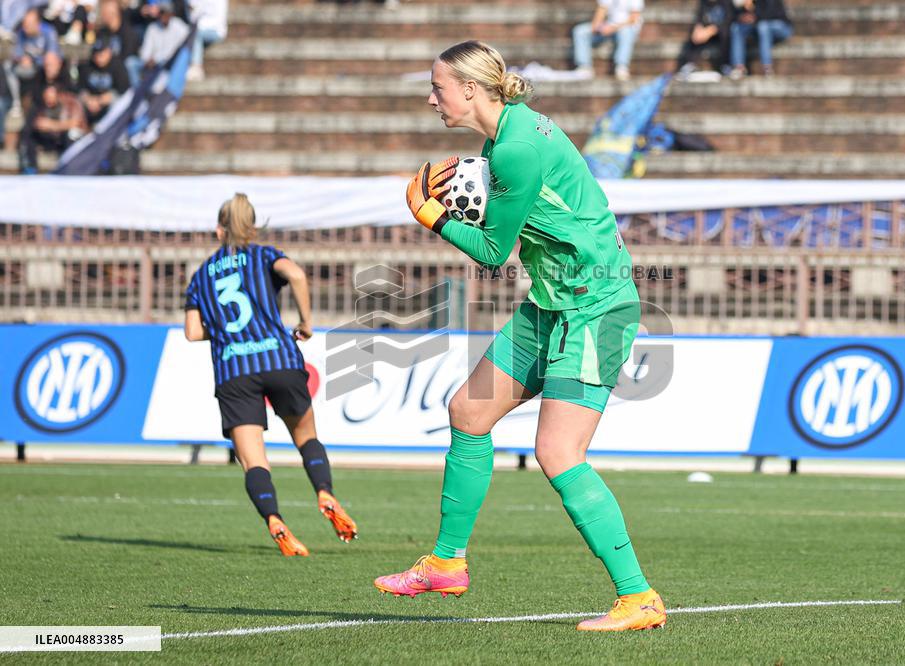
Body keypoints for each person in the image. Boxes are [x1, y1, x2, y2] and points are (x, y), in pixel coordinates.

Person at [374, 40, 666, 632]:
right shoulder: (500, 142)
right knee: (469, 412)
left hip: (596, 307)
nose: (432, 99)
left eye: (438, 88)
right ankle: (446, 562)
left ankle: (639, 598)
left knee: (558, 454)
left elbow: (492, 250)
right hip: (553, 302)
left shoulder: (514, 151)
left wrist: (431, 216)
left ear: (472, 91)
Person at [184, 193, 358, 556]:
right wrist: (307, 321)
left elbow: (192, 332)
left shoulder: (200, 276)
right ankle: (324, 492)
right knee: (306, 436)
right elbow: (295, 273)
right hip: (279, 358)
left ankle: (274, 520)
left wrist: (223, 329)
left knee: (253, 460)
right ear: (252, 226)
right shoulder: (264, 255)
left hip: (234, 370)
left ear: (219, 231)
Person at [17, 81, 85, 173]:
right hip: (44, 139)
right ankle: (30, 168)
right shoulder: (38, 107)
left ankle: (70, 166)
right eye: (47, 95)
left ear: (58, 95)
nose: (49, 98)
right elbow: (36, 124)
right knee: (28, 136)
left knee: (72, 134)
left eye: (51, 95)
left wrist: (52, 125)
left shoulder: (67, 105)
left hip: (61, 140)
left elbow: (76, 123)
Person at [572, 0, 643, 81]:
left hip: (626, 27)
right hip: (609, 27)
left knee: (626, 32)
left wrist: (613, 28)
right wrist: (596, 26)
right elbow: (602, 10)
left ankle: (621, 66)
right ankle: (584, 67)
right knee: (580, 31)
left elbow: (633, 19)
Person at [728, 0, 792, 78]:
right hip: (757, 25)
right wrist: (741, 17)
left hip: (781, 26)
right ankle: (738, 67)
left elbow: (770, 14)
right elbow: (732, 15)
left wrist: (753, 11)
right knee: (736, 28)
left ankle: (767, 68)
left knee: (763, 27)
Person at [77, 36, 129, 124]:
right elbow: (80, 88)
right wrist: (88, 100)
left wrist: (99, 101)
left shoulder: (118, 66)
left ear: (109, 52)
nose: (98, 57)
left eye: (102, 53)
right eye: (96, 53)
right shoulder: (87, 66)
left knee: (117, 103)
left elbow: (123, 90)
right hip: (90, 102)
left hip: (108, 102)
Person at [675, 0, 733, 77]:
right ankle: (689, 64)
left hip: (720, 31)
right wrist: (697, 29)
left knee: (726, 33)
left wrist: (712, 30)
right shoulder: (703, 2)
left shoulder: (726, 2)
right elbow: (699, 18)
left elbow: (728, 20)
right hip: (706, 31)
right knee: (694, 32)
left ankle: (726, 65)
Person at [96, 0, 141, 86]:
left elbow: (128, 56)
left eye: (105, 12)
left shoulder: (128, 32)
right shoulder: (102, 32)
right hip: (106, 72)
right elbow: (97, 50)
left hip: (123, 73)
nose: (102, 14)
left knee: (130, 63)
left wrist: (109, 58)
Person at [137, 0, 187, 71]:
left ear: (171, 14)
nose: (164, 16)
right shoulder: (152, 28)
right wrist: (147, 60)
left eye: (166, 13)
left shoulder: (179, 26)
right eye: (162, 13)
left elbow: (180, 49)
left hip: (172, 64)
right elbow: (146, 51)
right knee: (133, 64)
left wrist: (156, 59)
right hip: (154, 65)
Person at [185, 0, 227, 81]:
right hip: (198, 28)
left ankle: (196, 66)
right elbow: (193, 14)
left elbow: (219, 20)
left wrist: (197, 26)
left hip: (216, 30)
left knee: (196, 34)